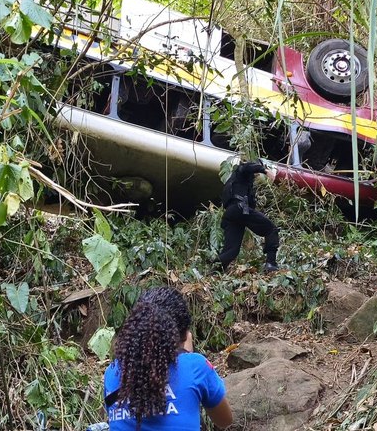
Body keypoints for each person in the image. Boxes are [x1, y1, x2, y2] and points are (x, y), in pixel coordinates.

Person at [103, 287, 233, 431]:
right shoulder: (195, 366)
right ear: (183, 335)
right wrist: (186, 355)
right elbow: (224, 420)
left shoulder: (112, 372)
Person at [216, 158, 281, 272]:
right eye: (256, 173)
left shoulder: (238, 182)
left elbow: (251, 206)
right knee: (271, 229)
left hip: (231, 214)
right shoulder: (242, 170)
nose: (256, 176)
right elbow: (247, 167)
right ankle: (271, 264)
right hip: (240, 209)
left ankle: (215, 270)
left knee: (231, 250)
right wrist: (265, 171)